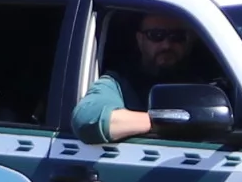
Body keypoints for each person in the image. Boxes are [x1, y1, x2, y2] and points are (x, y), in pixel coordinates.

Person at [73, 10, 209, 142]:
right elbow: (87, 119)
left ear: (189, 41)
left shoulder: (205, 85)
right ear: (140, 39)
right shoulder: (119, 82)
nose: (167, 44)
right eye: (156, 35)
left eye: (177, 37)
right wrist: (167, 120)